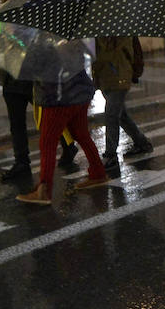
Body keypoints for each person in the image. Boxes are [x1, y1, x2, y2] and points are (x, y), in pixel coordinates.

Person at [16, 40, 109, 204]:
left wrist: (24, 51)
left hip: (58, 97)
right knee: (81, 134)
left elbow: (30, 69)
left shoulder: (43, 42)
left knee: (47, 142)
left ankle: (43, 190)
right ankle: (98, 173)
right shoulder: (73, 38)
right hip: (80, 94)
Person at [0, 0, 36, 183]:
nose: (4, 3)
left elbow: (34, 47)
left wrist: (13, 34)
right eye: (1, 0)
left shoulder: (30, 20)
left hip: (30, 79)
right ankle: (21, 162)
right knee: (16, 125)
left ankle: (68, 146)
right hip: (10, 80)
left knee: (49, 119)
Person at [93, 36, 155, 171]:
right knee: (121, 115)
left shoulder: (121, 31)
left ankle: (111, 155)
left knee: (111, 115)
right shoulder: (98, 32)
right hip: (105, 78)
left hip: (120, 77)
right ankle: (142, 143)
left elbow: (119, 54)